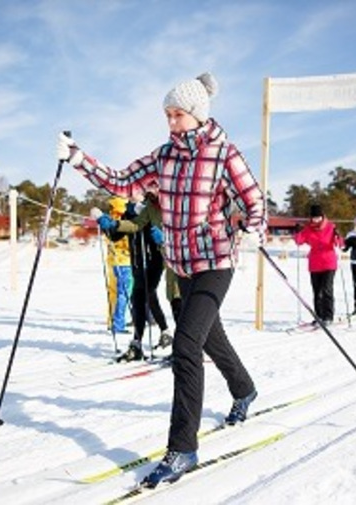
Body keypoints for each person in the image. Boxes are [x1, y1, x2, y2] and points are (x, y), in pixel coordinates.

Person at [57, 72, 265, 488]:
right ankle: (244, 389)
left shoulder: (223, 153)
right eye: (167, 115)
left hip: (215, 260)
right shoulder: (164, 156)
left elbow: (253, 198)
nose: (171, 123)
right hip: (182, 264)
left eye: (178, 115)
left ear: (198, 114)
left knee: (187, 345)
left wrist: (255, 225)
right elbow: (120, 180)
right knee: (210, 337)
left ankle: (182, 448)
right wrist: (80, 159)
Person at [97, 192, 175, 361]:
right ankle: (140, 342)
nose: (131, 196)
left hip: (154, 260)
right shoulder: (129, 212)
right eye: (129, 194)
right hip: (137, 262)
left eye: (134, 193)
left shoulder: (151, 208)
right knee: (138, 298)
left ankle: (160, 333)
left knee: (146, 293)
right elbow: (115, 236)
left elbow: (157, 229)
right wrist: (105, 225)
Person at [293, 204, 342, 325]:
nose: (316, 220)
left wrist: (337, 236)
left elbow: (339, 243)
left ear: (322, 216)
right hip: (315, 263)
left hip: (329, 262)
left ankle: (328, 316)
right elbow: (299, 241)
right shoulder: (308, 228)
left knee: (326, 289)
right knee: (317, 291)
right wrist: (297, 232)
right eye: (314, 218)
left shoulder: (330, 227)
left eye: (318, 217)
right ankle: (319, 316)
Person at [101, 197, 133, 334]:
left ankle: (111, 321)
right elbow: (127, 242)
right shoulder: (124, 220)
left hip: (112, 262)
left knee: (113, 293)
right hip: (125, 262)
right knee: (124, 293)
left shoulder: (108, 219)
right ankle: (118, 324)